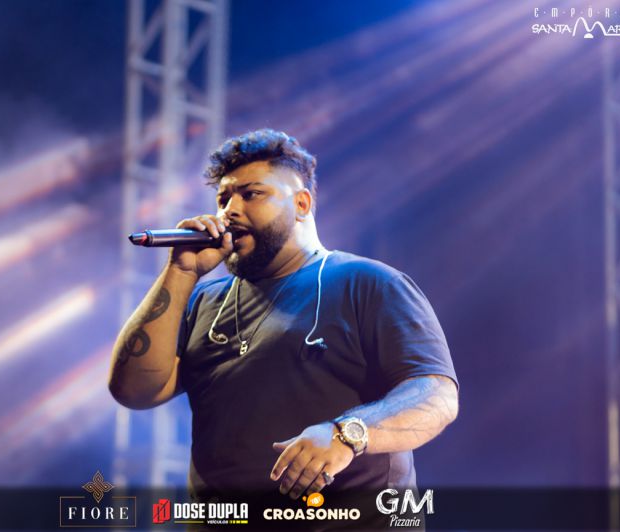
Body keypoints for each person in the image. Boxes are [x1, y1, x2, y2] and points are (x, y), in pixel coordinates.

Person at [109, 129, 459, 508]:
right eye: (223, 199)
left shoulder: (369, 283)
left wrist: (347, 434)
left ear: (302, 204)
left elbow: (437, 396)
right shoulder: (204, 300)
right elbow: (133, 390)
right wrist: (180, 271)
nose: (229, 211)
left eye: (251, 194)